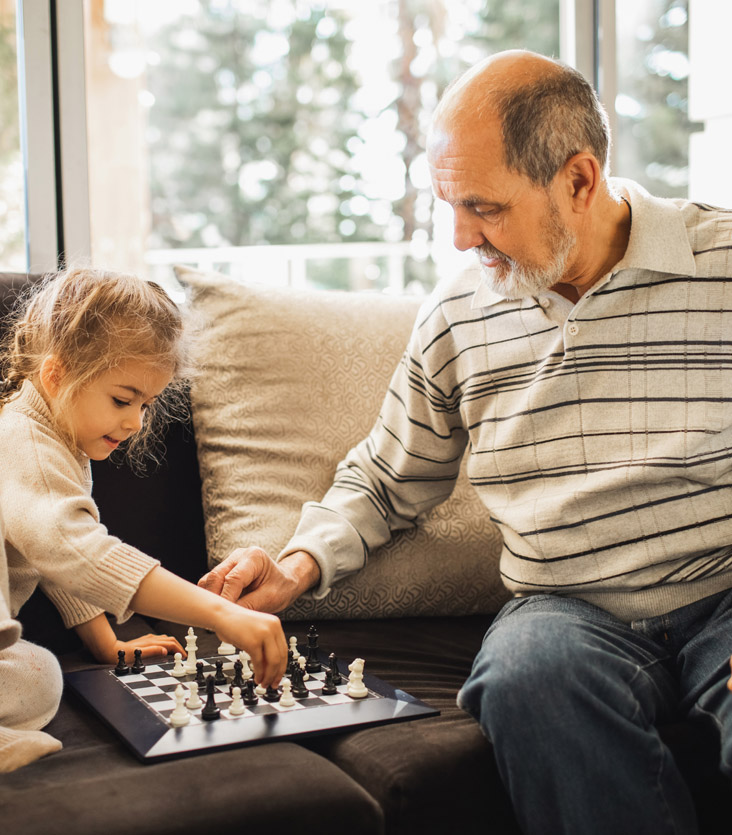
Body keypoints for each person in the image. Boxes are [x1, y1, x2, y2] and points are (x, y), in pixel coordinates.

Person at [199, 51, 732, 834]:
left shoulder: (719, 266)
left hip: (723, 589)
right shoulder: (459, 315)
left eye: (483, 207)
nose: (458, 238)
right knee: (525, 679)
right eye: (449, 204)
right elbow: (385, 478)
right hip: (567, 609)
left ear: (579, 181)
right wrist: (294, 565)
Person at [0, 266, 287, 775]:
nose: (136, 421)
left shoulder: (59, 449)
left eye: (146, 404)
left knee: (39, 676)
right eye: (122, 398)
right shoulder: (19, 441)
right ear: (57, 374)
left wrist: (106, 644)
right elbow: (77, 550)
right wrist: (223, 614)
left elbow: (50, 552)